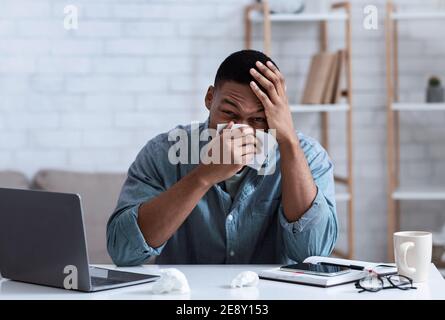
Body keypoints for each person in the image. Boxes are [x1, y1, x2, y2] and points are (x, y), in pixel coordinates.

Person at [107, 50, 338, 266]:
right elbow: (124, 252)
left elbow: (312, 254)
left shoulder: (308, 156)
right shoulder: (162, 153)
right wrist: (203, 177)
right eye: (229, 113)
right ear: (210, 99)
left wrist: (288, 141)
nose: (241, 129)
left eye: (258, 119)